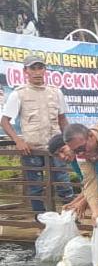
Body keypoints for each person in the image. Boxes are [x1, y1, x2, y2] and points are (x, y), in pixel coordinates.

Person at [0, 54, 74, 212]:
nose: (37, 71)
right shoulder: (18, 94)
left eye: (40, 67)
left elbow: (62, 119)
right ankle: (41, 222)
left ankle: (73, 218)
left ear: (45, 70)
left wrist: (69, 141)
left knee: (63, 184)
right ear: (25, 71)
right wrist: (18, 141)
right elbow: (4, 121)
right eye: (33, 68)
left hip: (56, 147)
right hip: (32, 148)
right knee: (36, 188)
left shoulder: (55, 92)